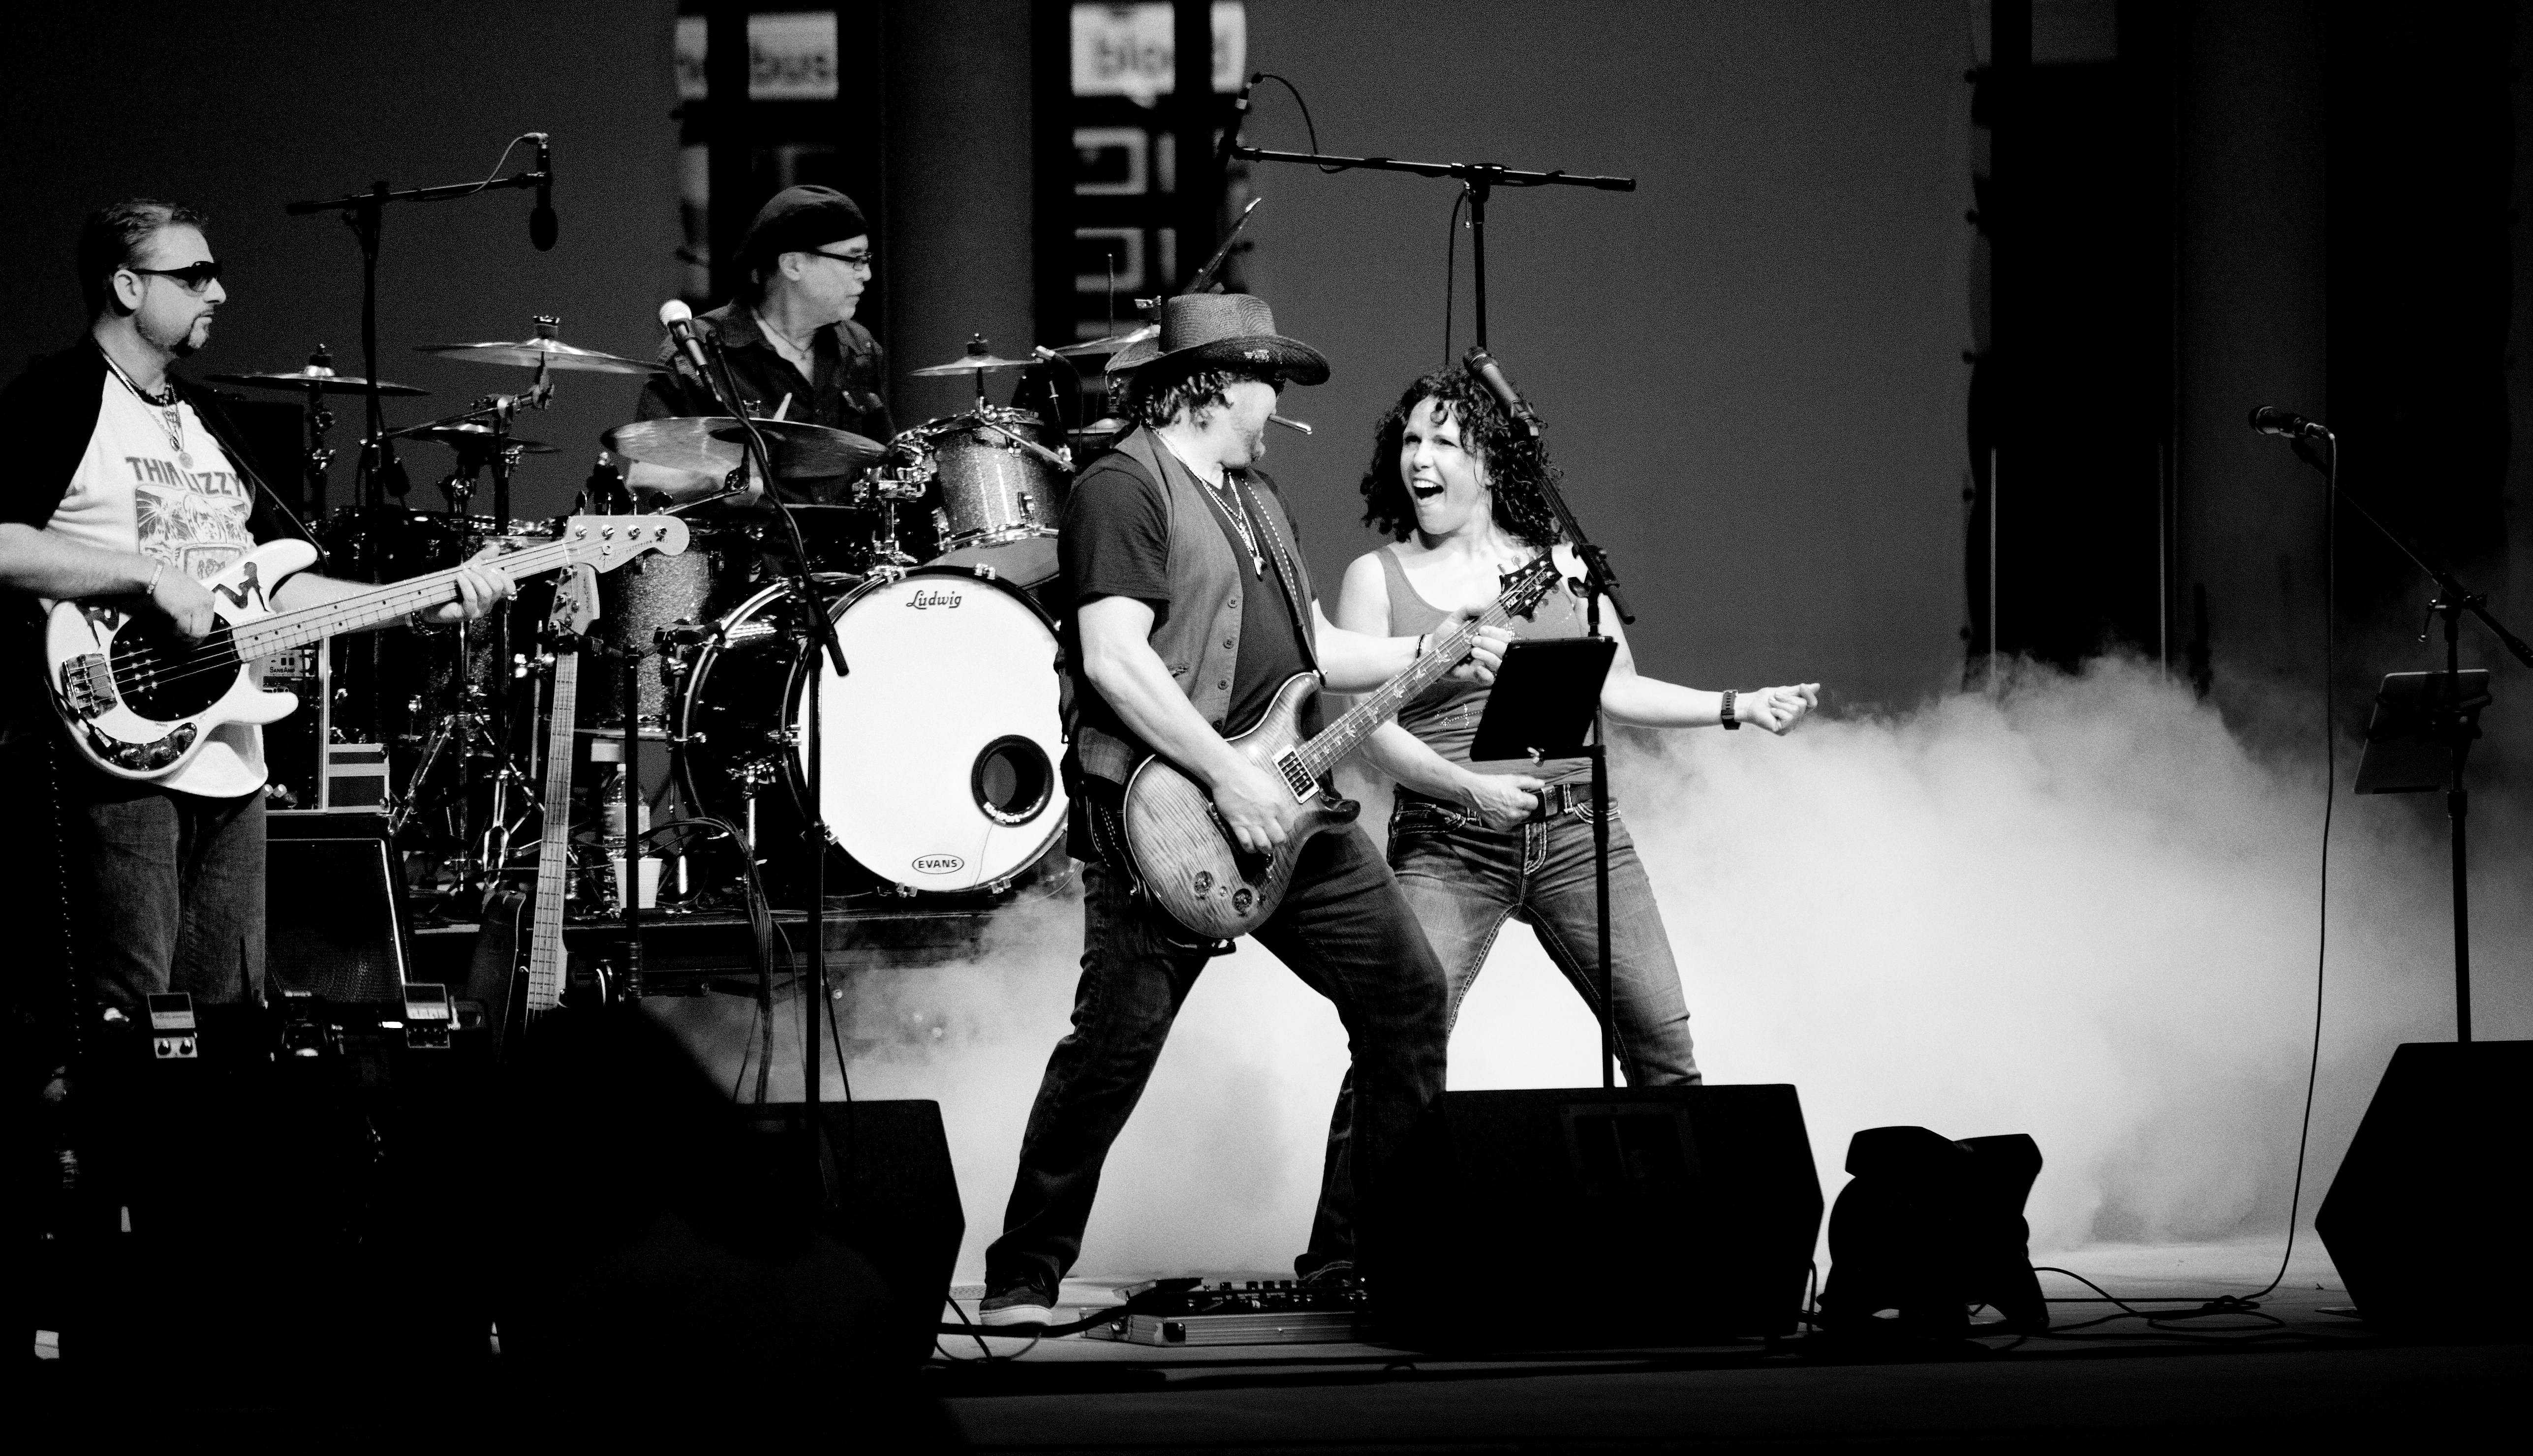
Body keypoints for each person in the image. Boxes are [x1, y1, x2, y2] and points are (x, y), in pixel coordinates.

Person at [977, 295, 1513, 1326]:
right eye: (1270, 381)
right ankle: (1021, 1280)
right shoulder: (1122, 487)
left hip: (1292, 806)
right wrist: (1227, 777)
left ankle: (1371, 1262)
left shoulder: (1258, 495)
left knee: (1406, 997)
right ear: (1216, 384)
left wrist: (1432, 649)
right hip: (1169, 816)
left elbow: (1314, 649)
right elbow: (1113, 660)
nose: (1281, 405)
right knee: (1113, 1049)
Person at [1296, 366, 1820, 1276]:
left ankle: (1705, 1259)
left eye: (1444, 442)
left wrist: (1738, 706)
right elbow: (1372, 733)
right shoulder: (1376, 578)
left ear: (1493, 462)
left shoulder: (1563, 566)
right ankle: (1344, 1257)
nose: (1419, 459)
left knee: (1663, 1045)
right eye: (1410, 441)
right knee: (1397, 1044)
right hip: (1449, 842)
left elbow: (1617, 689)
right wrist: (1468, 792)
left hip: (1579, 837)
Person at [0, 198, 514, 1018]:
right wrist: (147, 574)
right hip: (115, 751)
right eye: (194, 275)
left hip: (231, 759)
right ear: (127, 287)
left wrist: (425, 605)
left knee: (231, 1021)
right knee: (134, 1021)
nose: (219, 293)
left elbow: (273, 590)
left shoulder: (212, 421)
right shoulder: (57, 397)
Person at [629, 184, 893, 505]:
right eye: (854, 259)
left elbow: (885, 461)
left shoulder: (858, 347)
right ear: (793, 265)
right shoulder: (697, 351)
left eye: (866, 259)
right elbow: (645, 478)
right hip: (743, 536)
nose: (866, 274)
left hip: (842, 537)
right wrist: (720, 480)